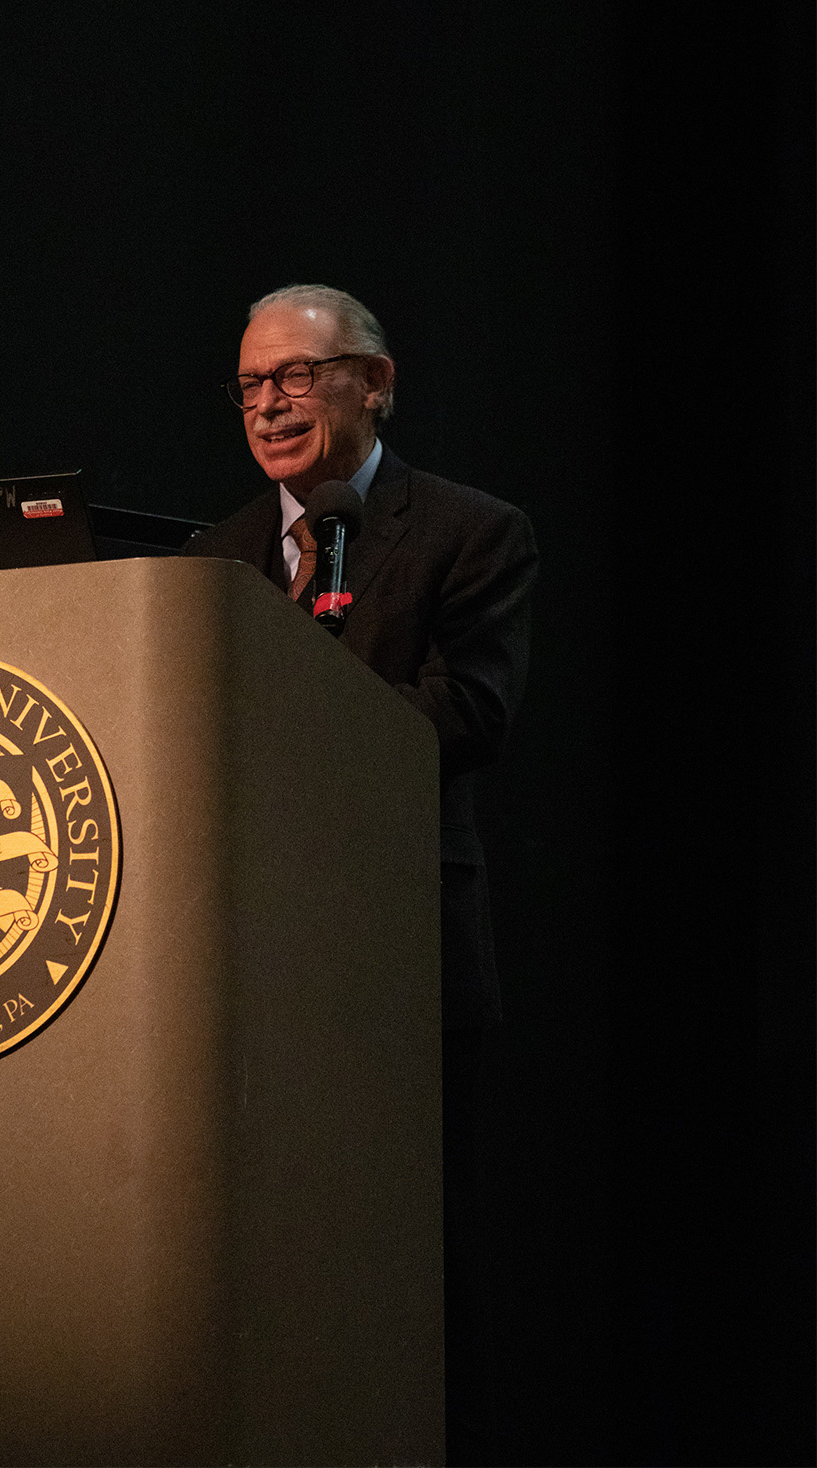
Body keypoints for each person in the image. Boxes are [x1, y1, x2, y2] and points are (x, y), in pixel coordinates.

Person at [182, 283, 538, 1464]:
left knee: (412, 1272)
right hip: (248, 969)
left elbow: (467, 716)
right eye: (250, 384)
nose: (269, 403)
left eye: (295, 375)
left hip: (401, 956)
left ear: (372, 384)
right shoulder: (213, 559)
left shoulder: (470, 531)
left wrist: (292, 720)